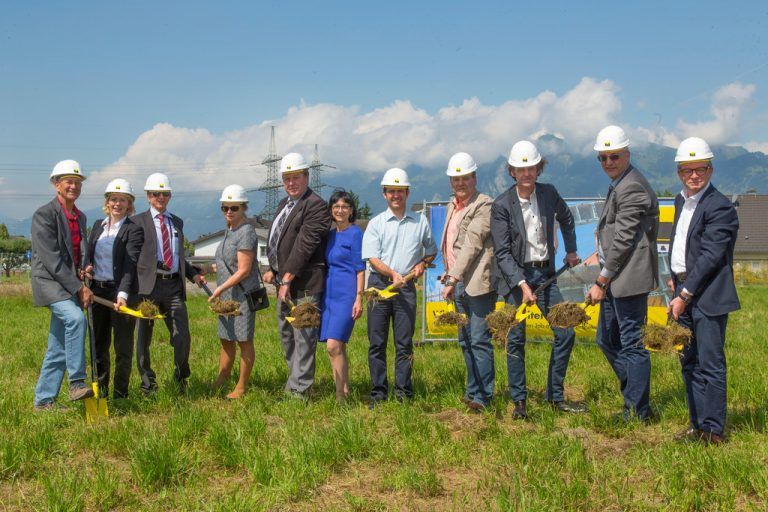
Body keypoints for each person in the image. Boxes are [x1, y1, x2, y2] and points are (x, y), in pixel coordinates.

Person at [491, 141, 582, 420]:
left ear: (538, 169)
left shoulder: (549, 193)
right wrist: (522, 284)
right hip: (516, 279)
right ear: (512, 172)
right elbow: (502, 252)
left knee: (565, 333)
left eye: (531, 168)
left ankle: (555, 396)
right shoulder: (502, 205)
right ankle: (519, 402)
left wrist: (571, 250)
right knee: (515, 339)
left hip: (546, 275)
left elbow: (567, 218)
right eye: (520, 169)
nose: (526, 173)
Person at [667, 137, 739, 444]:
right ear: (679, 172)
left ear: (710, 170)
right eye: (687, 170)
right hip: (684, 288)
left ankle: (713, 431)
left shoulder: (720, 206)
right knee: (689, 361)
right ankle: (697, 424)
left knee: (710, 364)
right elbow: (681, 243)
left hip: (707, 295)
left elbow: (711, 257)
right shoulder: (680, 201)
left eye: (700, 169)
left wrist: (685, 294)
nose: (694, 175)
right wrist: (675, 277)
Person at [585, 125, 659, 422]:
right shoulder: (621, 182)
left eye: (614, 156)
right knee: (606, 339)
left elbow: (624, 240)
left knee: (632, 344)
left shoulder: (632, 187)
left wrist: (601, 280)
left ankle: (637, 410)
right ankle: (636, 398)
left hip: (627, 279)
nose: (608, 162)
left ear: (627, 154)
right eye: (602, 158)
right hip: (616, 278)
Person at [362, 168, 437, 407]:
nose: (396, 195)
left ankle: (404, 392)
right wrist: (392, 273)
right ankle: (378, 393)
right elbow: (372, 258)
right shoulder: (376, 223)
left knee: (404, 342)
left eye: (400, 191)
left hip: (406, 287)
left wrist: (422, 263)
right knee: (377, 342)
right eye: (391, 191)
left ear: (407, 193)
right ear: (384, 194)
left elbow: (431, 250)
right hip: (379, 287)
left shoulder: (420, 221)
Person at [263, 153, 331, 399]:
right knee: (287, 336)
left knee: (303, 337)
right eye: (286, 178)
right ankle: (294, 384)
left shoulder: (316, 205)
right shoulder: (284, 204)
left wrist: (287, 278)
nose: (291, 183)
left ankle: (300, 391)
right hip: (284, 282)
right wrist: (274, 269)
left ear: (307, 177)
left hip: (304, 285)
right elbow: (281, 240)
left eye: (296, 177)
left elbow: (304, 246)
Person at [133, 173, 206, 395]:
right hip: (148, 288)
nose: (160, 197)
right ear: (148, 196)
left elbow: (178, 256)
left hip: (173, 287)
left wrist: (193, 274)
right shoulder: (137, 222)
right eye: (156, 193)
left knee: (181, 335)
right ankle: (148, 384)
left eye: (165, 193)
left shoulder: (177, 222)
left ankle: (181, 378)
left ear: (170, 195)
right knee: (143, 338)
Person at [31, 159, 94, 410]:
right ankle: (77, 382)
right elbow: (52, 260)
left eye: (78, 182)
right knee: (76, 320)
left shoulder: (81, 217)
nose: (74, 186)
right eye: (69, 181)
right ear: (56, 184)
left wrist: (84, 267)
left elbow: (79, 252)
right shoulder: (44, 215)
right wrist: (79, 288)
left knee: (58, 346)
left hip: (69, 282)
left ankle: (44, 401)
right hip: (49, 282)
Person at [439, 152, 496, 413]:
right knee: (465, 340)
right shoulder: (452, 206)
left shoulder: (484, 205)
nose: (460, 183)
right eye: (455, 179)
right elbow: (452, 246)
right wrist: (448, 272)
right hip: (457, 282)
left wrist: (452, 278)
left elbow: (472, 244)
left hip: (476, 283)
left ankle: (484, 396)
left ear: (475, 178)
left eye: (465, 178)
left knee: (480, 339)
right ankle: (472, 390)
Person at [84, 178, 142, 399]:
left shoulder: (133, 230)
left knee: (122, 347)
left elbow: (130, 265)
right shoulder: (98, 225)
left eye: (123, 200)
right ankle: (101, 393)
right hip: (97, 293)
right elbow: (89, 255)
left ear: (129, 204)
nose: (117, 204)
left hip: (120, 293)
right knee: (98, 345)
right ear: (107, 202)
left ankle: (120, 394)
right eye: (113, 199)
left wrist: (122, 294)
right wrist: (87, 267)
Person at [208, 185, 261, 399]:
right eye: (225, 207)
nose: (229, 211)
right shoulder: (229, 230)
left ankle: (241, 387)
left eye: (234, 207)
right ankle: (222, 379)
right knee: (226, 339)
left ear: (243, 208)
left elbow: (244, 269)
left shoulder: (246, 231)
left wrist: (219, 288)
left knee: (243, 340)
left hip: (241, 297)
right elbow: (228, 261)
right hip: (227, 297)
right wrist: (208, 269)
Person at [320, 190, 365, 403]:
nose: (340, 210)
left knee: (333, 345)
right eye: (336, 207)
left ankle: (339, 396)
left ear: (351, 210)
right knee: (338, 347)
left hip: (347, 295)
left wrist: (359, 298)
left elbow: (360, 269)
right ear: (331, 210)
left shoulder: (356, 234)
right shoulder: (329, 235)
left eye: (345, 207)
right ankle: (344, 390)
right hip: (328, 295)